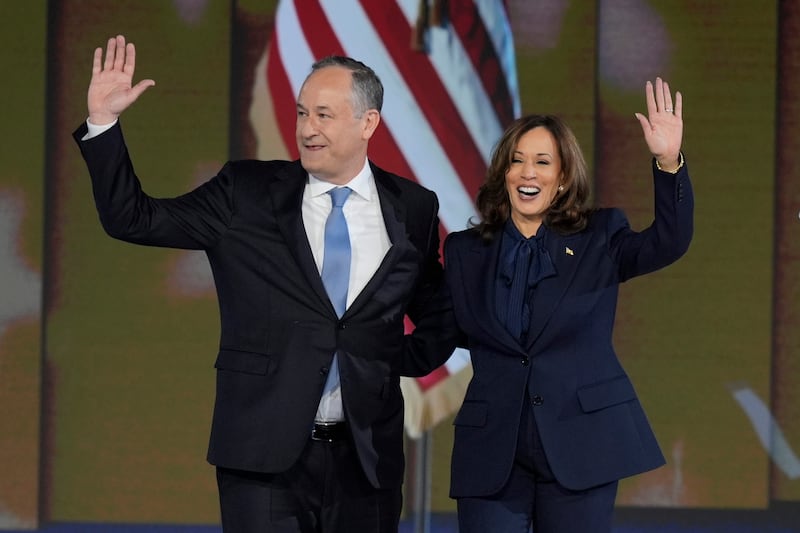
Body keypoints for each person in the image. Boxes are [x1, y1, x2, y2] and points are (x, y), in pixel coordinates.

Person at [73, 35, 456, 533]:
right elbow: (134, 218)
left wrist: (394, 357)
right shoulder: (245, 193)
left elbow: (437, 305)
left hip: (366, 461)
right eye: (302, 114)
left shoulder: (413, 207)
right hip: (262, 460)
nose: (307, 129)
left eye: (323, 115)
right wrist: (104, 123)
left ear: (368, 123)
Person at [444, 78, 693, 532]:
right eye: (517, 162)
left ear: (561, 180)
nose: (528, 173)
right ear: (504, 174)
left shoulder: (600, 237)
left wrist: (667, 161)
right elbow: (443, 330)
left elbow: (669, 241)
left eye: (542, 162)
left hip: (581, 443)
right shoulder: (465, 251)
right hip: (494, 451)